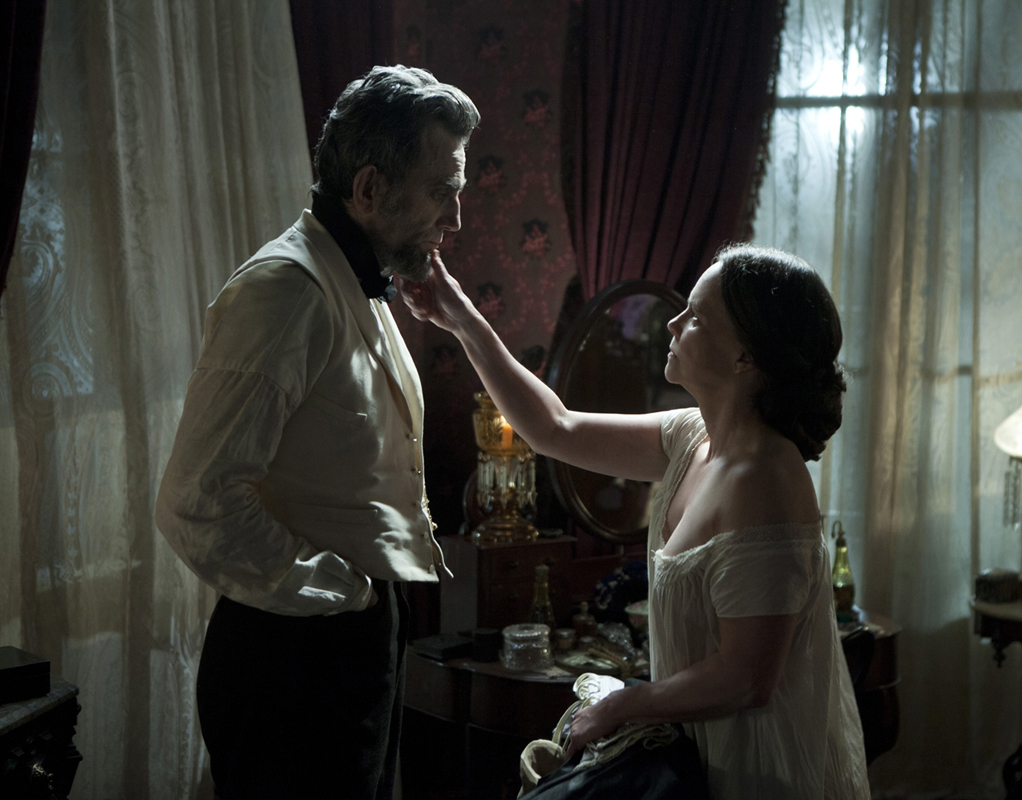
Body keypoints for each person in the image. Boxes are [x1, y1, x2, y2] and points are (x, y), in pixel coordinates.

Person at [402, 243, 870, 799]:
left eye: (695, 317)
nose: (672, 323)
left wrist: (622, 705)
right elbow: (555, 428)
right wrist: (459, 317)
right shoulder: (692, 438)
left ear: (745, 357)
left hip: (756, 766)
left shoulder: (766, 481)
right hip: (695, 751)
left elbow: (747, 679)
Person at [155, 66, 478, 800]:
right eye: (442, 191)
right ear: (367, 189)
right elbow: (197, 501)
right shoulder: (283, 291)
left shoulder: (356, 279)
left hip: (345, 641)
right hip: (293, 658)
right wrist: (345, 595)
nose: (456, 220)